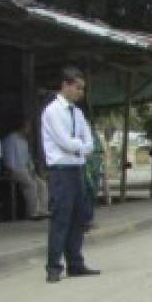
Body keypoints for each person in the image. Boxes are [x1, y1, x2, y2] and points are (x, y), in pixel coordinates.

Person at [40, 66, 100, 282]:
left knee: (78, 218)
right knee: (61, 219)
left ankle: (75, 263)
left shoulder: (78, 113)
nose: (80, 93)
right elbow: (65, 142)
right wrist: (79, 146)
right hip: (60, 170)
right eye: (77, 88)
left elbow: (90, 143)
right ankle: (53, 267)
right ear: (65, 85)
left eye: (82, 89)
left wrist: (79, 147)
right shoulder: (52, 111)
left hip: (77, 170)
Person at [2, 125, 49, 220]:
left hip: (26, 169)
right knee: (31, 185)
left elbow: (28, 158)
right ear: (22, 127)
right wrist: (10, 170)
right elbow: (9, 157)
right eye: (28, 127)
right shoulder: (11, 139)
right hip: (15, 170)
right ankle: (32, 212)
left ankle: (42, 210)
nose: (30, 130)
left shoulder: (24, 141)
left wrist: (32, 170)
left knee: (42, 184)